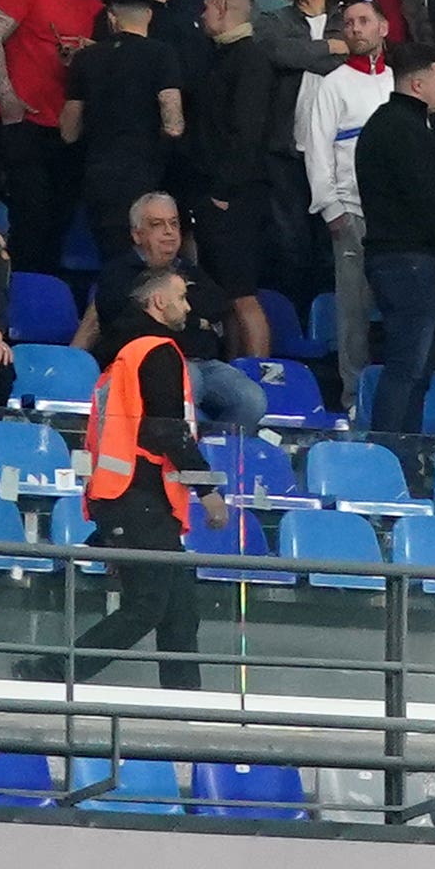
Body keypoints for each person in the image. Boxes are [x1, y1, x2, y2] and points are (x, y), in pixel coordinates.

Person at [74, 259, 263, 690]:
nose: (185, 305)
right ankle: (52, 675)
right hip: (136, 495)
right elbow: (166, 431)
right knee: (147, 607)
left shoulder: (127, 351)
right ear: (158, 302)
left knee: (178, 611)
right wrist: (207, 490)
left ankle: (184, 702)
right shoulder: (156, 351)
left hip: (133, 495)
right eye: (179, 297)